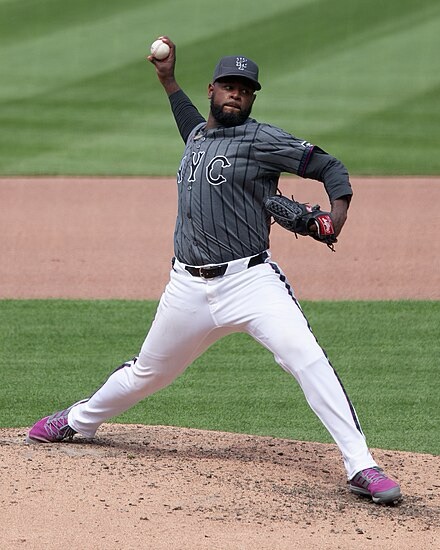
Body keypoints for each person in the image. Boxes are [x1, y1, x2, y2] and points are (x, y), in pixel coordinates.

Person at [27, 37, 401, 505]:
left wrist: (337, 215)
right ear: (212, 90)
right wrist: (168, 81)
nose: (235, 94)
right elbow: (189, 123)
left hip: (251, 282)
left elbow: (329, 166)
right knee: (148, 373)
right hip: (186, 288)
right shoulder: (198, 137)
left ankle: (361, 465)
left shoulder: (261, 140)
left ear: (252, 97)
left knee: (307, 360)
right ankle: (78, 421)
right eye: (228, 86)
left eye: (245, 89)